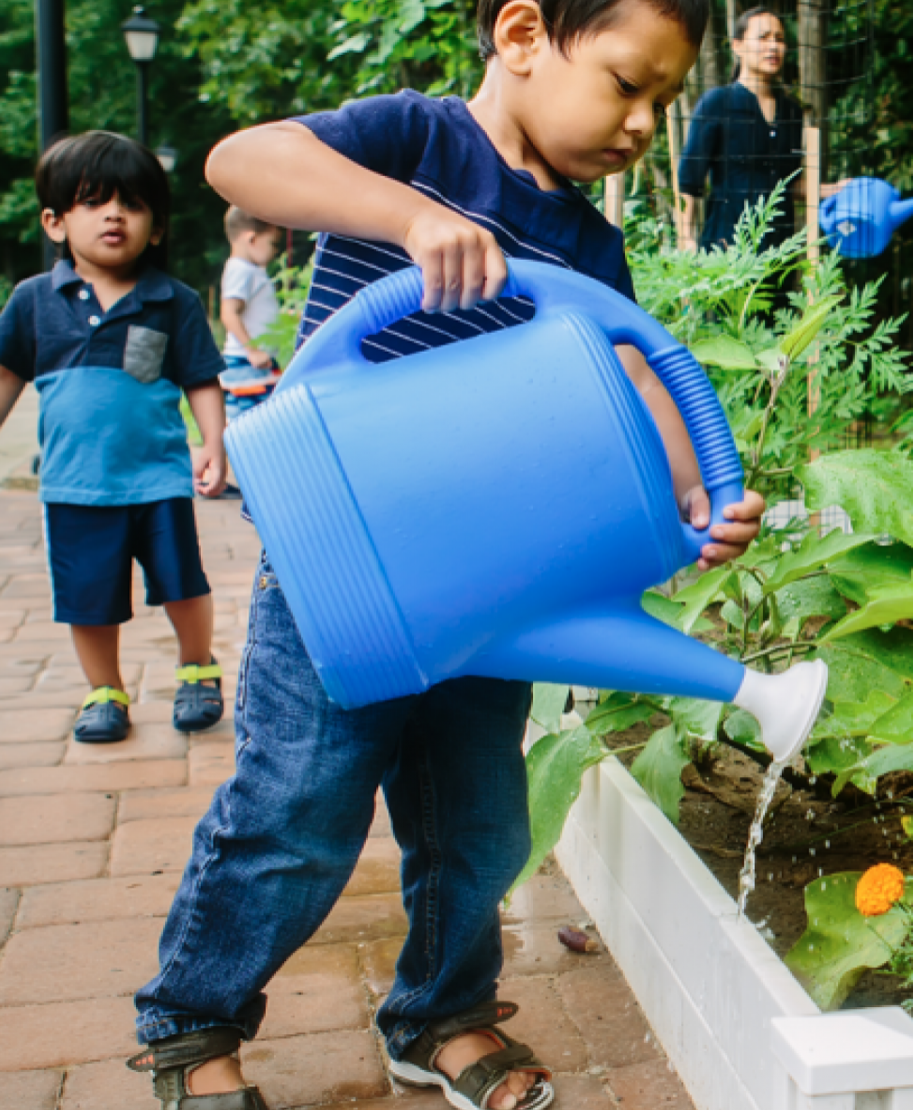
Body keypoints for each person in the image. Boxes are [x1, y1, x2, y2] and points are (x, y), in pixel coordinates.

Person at [127, 2, 768, 1108]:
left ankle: (442, 1015)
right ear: (521, 34)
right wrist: (409, 217)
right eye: (626, 83)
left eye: (662, 101)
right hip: (347, 557)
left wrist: (700, 497)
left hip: (496, 577)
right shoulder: (418, 141)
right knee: (300, 806)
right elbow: (243, 162)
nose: (644, 123)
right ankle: (193, 1022)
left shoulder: (586, 241)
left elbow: (641, 377)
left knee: (478, 820)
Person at [0, 131, 231, 746]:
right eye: (94, 201)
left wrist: (213, 443)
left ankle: (197, 668)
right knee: (88, 600)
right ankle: (104, 690)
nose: (115, 215)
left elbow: (202, 379)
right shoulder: (31, 303)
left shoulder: (172, 302)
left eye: (132, 204)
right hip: (74, 486)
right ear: (55, 222)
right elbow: (7, 375)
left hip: (156, 478)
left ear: (155, 228)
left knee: (183, 584)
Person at [677, 6, 805, 249]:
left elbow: (791, 183)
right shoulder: (716, 103)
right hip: (726, 245)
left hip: (780, 250)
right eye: (763, 37)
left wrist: (842, 188)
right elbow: (689, 180)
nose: (773, 46)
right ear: (737, 46)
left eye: (779, 39)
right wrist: (686, 237)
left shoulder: (792, 112)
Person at [216, 206, 285, 422]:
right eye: (272, 244)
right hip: (248, 363)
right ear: (252, 239)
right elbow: (229, 313)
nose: (275, 251)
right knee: (252, 424)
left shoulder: (251, 270)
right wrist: (252, 351)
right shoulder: (241, 269)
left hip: (257, 363)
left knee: (260, 421)